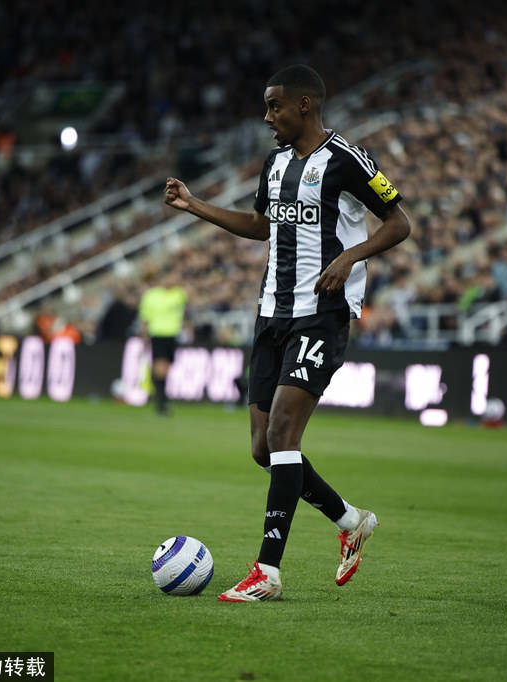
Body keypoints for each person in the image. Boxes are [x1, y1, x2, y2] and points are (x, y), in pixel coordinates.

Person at [163, 64, 412, 601]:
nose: (266, 116)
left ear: (305, 104)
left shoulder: (347, 159)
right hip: (271, 314)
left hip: (322, 312)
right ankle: (350, 521)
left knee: (282, 433)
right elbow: (260, 226)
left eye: (274, 106)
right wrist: (193, 205)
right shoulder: (275, 164)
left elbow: (399, 223)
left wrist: (349, 256)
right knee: (263, 448)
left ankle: (267, 572)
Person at [138, 270, 188, 415]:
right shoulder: (151, 296)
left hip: (173, 335)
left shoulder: (179, 294)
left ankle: (160, 398)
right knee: (160, 367)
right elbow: (145, 319)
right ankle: (161, 402)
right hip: (158, 334)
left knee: (166, 368)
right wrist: (144, 337)